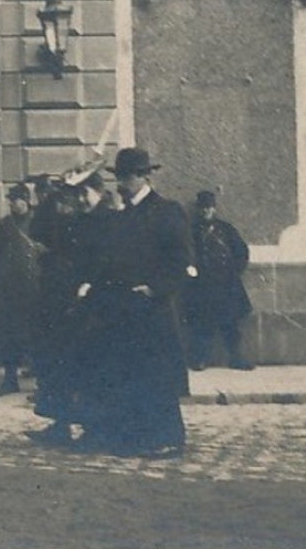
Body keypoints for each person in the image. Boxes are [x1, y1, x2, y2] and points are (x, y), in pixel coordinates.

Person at [73, 147, 192, 459]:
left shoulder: (167, 211)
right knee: (128, 375)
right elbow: (110, 261)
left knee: (157, 376)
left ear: (145, 176)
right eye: (118, 177)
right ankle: (134, 436)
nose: (121, 184)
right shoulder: (121, 216)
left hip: (153, 311)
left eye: (127, 177)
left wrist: (154, 289)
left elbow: (182, 262)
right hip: (122, 310)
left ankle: (168, 438)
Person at [26, 170, 116, 447]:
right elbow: (38, 230)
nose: (79, 199)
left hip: (93, 305)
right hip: (64, 302)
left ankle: (94, 430)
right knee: (59, 366)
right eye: (76, 194)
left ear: (97, 190)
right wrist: (56, 192)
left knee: (90, 369)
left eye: (83, 192)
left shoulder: (109, 220)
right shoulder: (77, 220)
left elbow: (108, 260)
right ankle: (60, 425)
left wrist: (90, 283)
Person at [186, 190, 254, 371]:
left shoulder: (226, 229)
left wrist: (233, 272)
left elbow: (241, 251)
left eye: (209, 208)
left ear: (214, 209)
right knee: (202, 326)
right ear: (198, 209)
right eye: (203, 208)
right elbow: (186, 254)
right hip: (203, 286)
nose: (206, 211)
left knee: (231, 325)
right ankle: (200, 359)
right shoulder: (191, 231)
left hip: (226, 285)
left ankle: (236, 358)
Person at [0, 182, 42, 396]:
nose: (12, 204)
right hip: (10, 289)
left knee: (35, 335)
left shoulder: (38, 223)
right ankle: (9, 380)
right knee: (8, 334)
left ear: (26, 200)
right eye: (10, 200)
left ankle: (39, 384)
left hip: (34, 288)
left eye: (16, 200)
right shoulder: (4, 226)